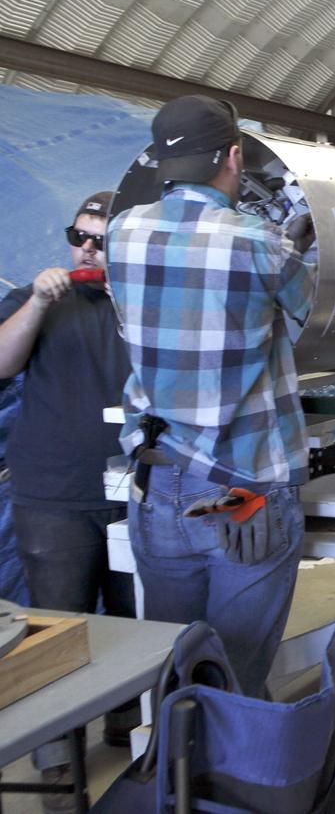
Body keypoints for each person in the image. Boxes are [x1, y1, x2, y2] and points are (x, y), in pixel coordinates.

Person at [107, 95, 316, 697]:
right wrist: (295, 245)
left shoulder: (123, 232)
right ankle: (235, 752)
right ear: (232, 156)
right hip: (241, 485)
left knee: (176, 664)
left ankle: (179, 755)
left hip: (157, 483)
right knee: (235, 674)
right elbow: (315, 315)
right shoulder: (259, 242)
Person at [0, 191, 137, 809]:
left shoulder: (144, 302)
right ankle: (57, 764)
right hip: (54, 494)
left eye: (100, 241)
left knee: (134, 620)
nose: (86, 249)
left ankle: (129, 725)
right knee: (58, 627)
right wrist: (37, 301)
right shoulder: (38, 302)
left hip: (134, 487)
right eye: (77, 236)